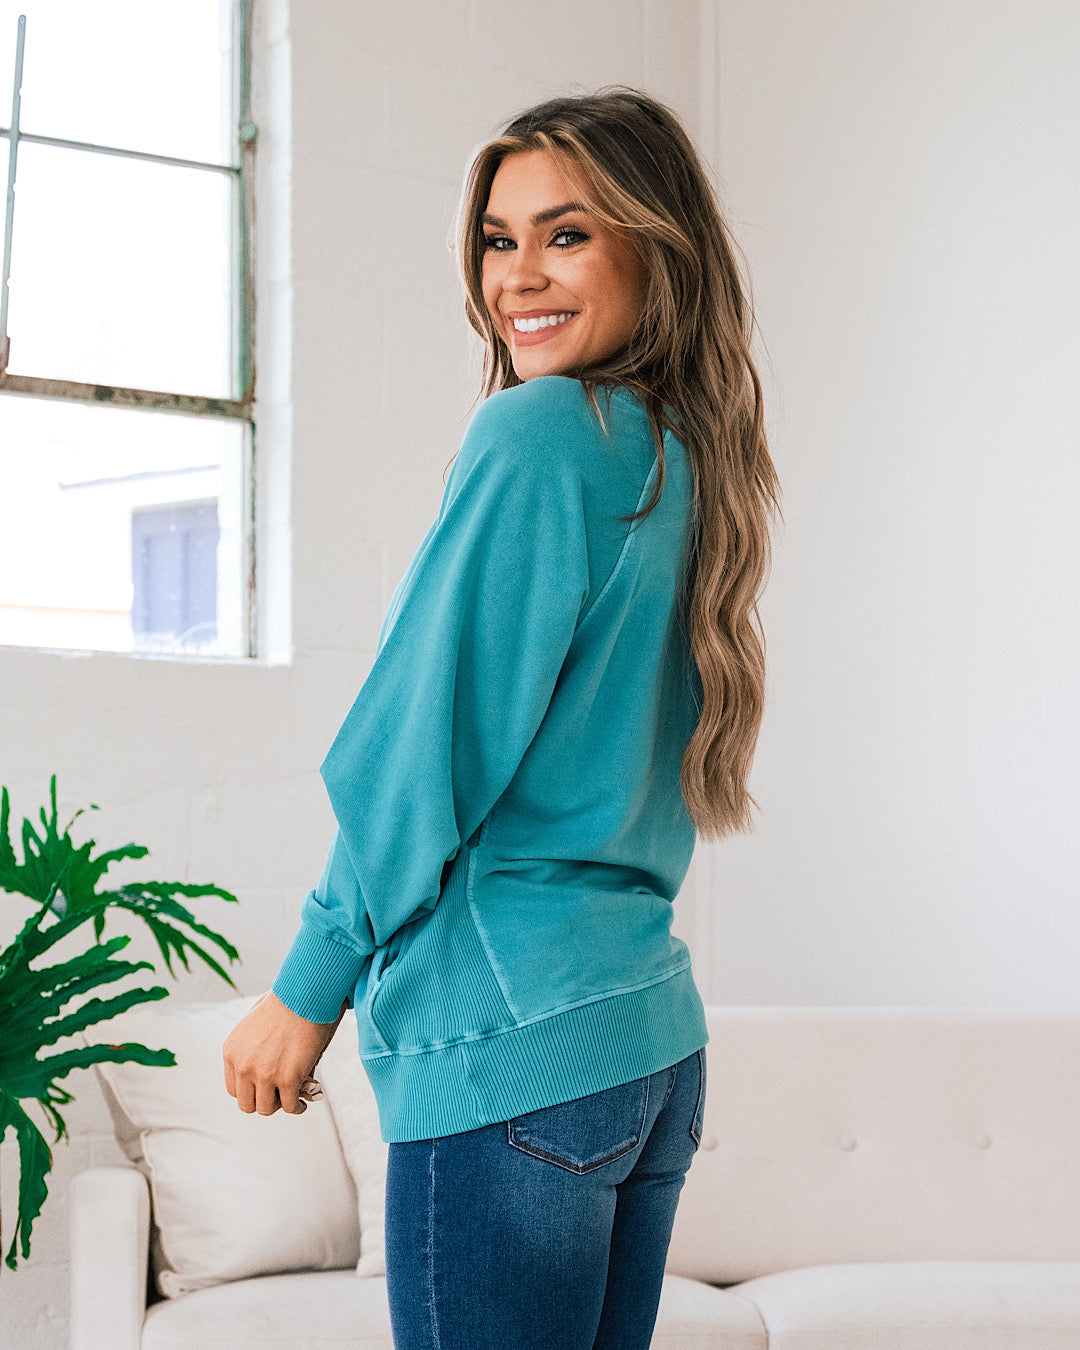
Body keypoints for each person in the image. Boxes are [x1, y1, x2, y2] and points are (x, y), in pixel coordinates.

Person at [223, 85, 781, 1350]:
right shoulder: (683, 454)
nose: (517, 275)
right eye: (496, 239)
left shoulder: (540, 436)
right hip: (643, 1046)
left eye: (566, 234)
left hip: (510, 1050)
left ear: (657, 248)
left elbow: (423, 745)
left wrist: (308, 987)